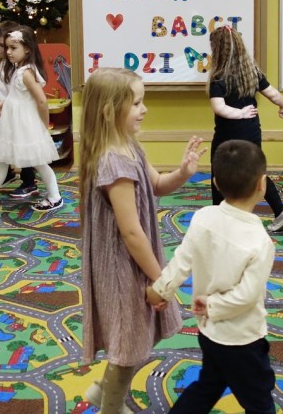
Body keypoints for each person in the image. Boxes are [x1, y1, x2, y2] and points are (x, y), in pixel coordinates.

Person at [78, 68, 205, 414]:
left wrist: (184, 172)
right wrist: (160, 279)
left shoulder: (129, 146)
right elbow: (131, 231)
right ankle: (111, 406)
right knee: (129, 342)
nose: (144, 109)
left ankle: (102, 391)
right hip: (122, 268)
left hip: (132, 262)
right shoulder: (115, 162)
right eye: (136, 103)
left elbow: (158, 184)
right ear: (109, 111)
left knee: (133, 335)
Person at [147, 139, 277, 414]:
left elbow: (181, 260)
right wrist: (213, 305)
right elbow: (247, 296)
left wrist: (161, 290)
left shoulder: (203, 217)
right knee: (260, 401)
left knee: (208, 385)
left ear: (215, 183)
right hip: (243, 340)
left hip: (208, 332)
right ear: (261, 185)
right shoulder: (260, 241)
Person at [207, 26, 283, 232]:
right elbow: (273, 94)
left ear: (217, 50)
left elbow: (219, 107)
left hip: (228, 134)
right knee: (255, 171)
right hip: (251, 131)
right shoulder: (252, 72)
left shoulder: (218, 77)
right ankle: (281, 212)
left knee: (218, 170)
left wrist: (239, 113)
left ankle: (218, 215)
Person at [0, 25, 63, 212]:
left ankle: (55, 197)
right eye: (7, 47)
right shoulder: (18, 69)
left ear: (27, 49)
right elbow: (13, 97)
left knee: (39, 162)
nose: (8, 52)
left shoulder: (26, 73)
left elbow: (42, 101)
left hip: (24, 125)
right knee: (3, 160)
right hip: (13, 124)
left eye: (13, 48)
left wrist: (43, 126)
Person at [0, 20, 39, 201]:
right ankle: (7, 176)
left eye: (2, 46)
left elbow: (18, 94)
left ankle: (29, 183)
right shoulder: (6, 63)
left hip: (14, 116)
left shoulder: (19, 67)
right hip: (4, 116)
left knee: (22, 151)